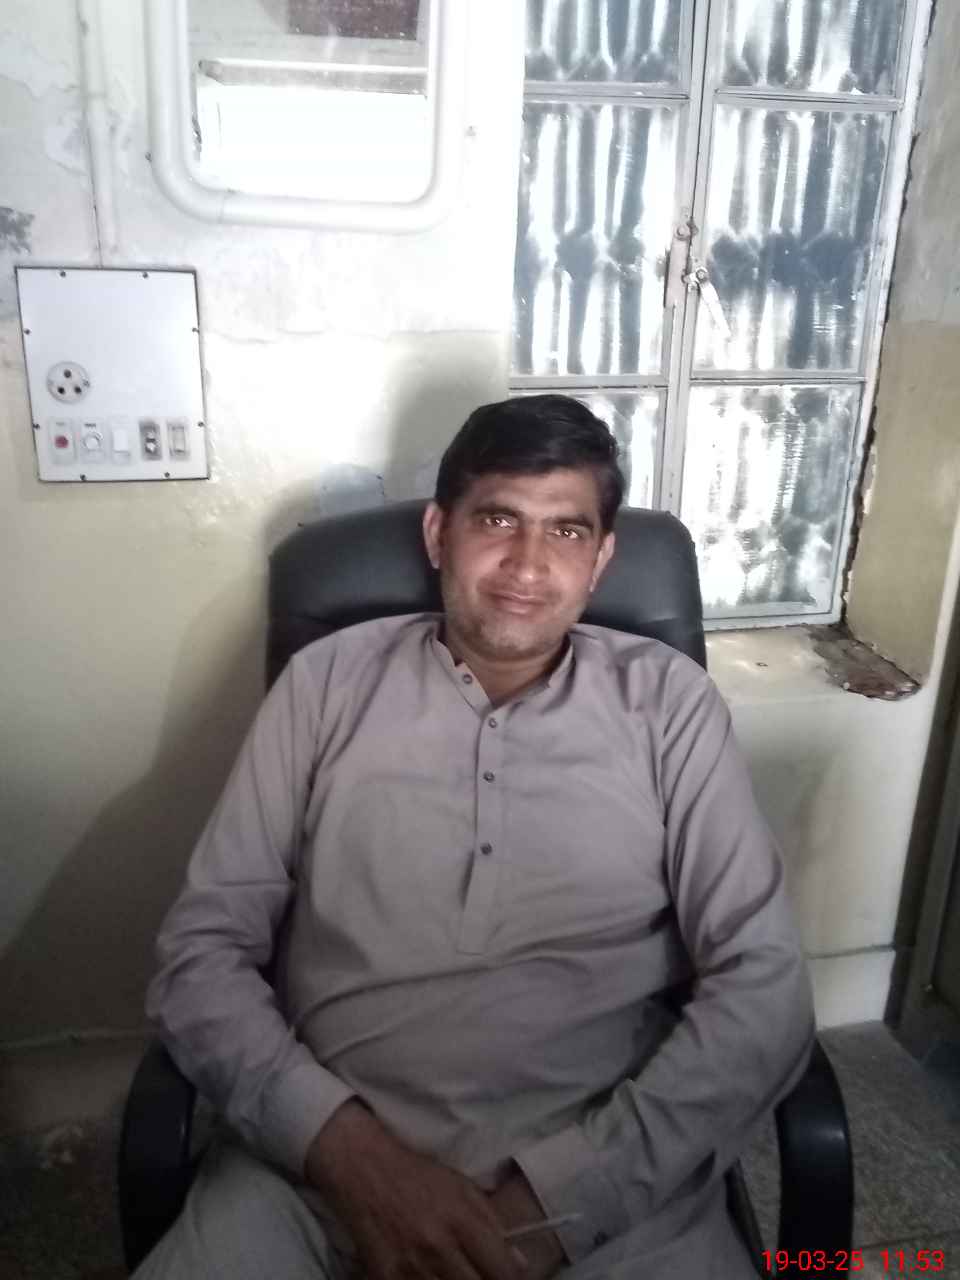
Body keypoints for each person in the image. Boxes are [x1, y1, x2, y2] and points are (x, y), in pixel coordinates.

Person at [136, 394, 814, 1280]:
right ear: (438, 534)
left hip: (613, 1196)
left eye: (566, 531)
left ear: (602, 559)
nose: (528, 563)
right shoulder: (323, 686)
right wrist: (350, 1158)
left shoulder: (668, 704)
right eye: (497, 519)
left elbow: (764, 986)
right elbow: (200, 956)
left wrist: (556, 1206)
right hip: (316, 1178)